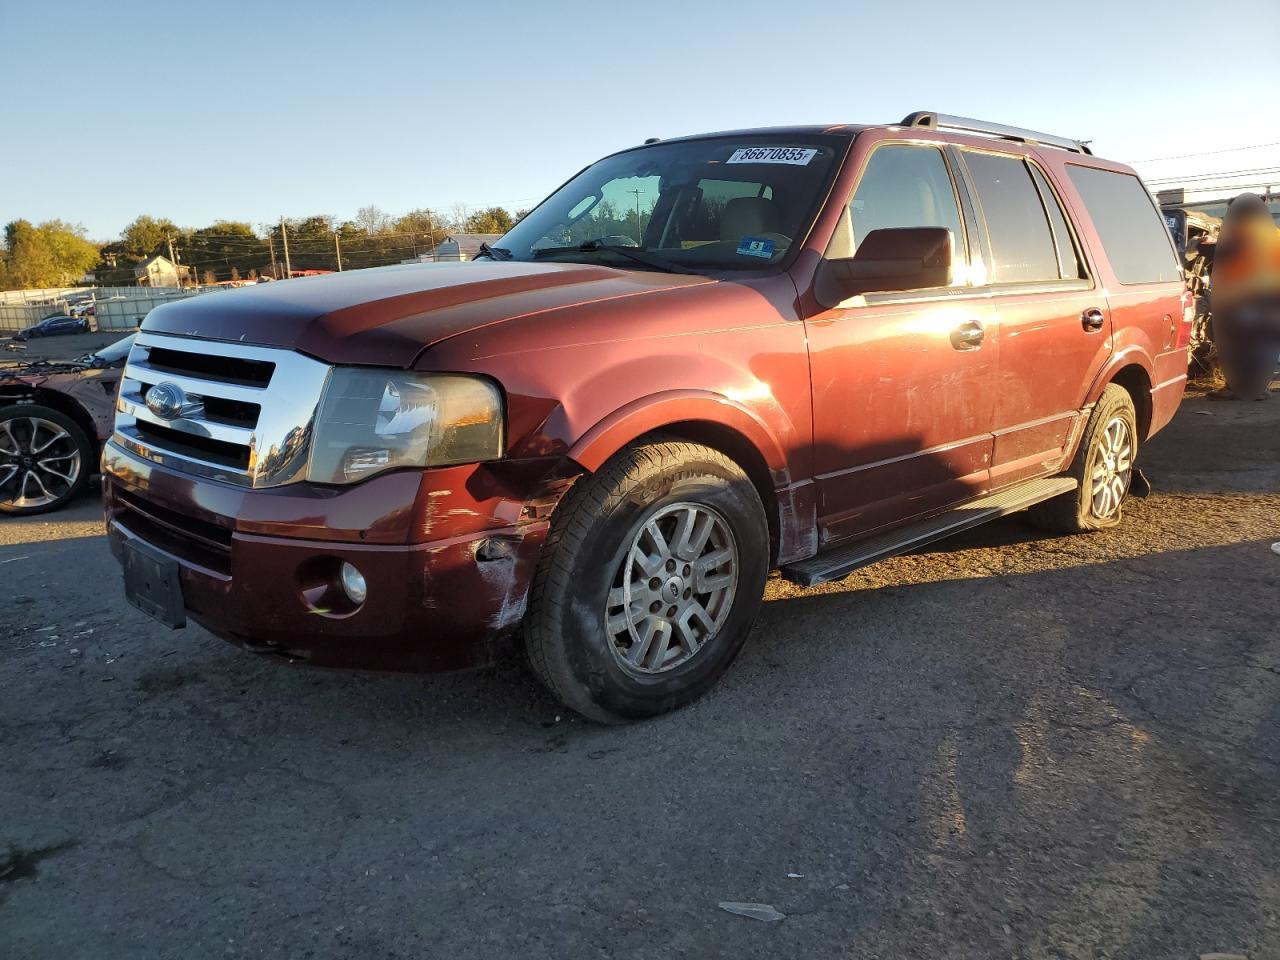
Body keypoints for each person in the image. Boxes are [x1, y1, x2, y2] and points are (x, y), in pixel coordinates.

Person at [1209, 193, 1280, 400]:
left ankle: (1238, 387)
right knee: (1262, 343)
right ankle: (1257, 387)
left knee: (1235, 342)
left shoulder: (1237, 237)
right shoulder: (1274, 235)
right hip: (1267, 300)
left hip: (1239, 300)